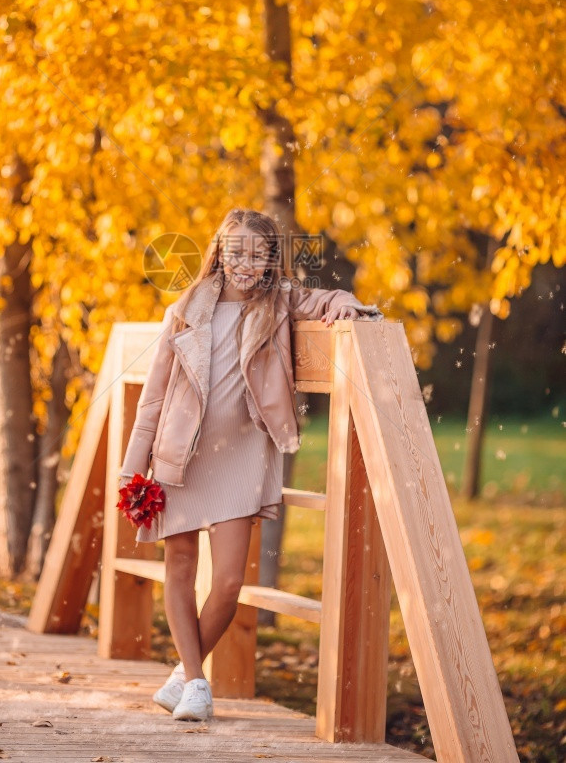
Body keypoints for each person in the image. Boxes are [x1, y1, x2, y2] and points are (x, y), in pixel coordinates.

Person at [119, 207, 382, 721]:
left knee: (230, 583)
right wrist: (133, 468)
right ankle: (197, 682)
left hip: (242, 457)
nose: (246, 262)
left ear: (270, 261)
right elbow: (153, 398)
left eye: (258, 254)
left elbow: (326, 297)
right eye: (236, 251)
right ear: (218, 252)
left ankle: (182, 674)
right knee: (179, 566)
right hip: (182, 454)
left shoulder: (279, 302)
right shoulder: (187, 308)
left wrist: (348, 305)